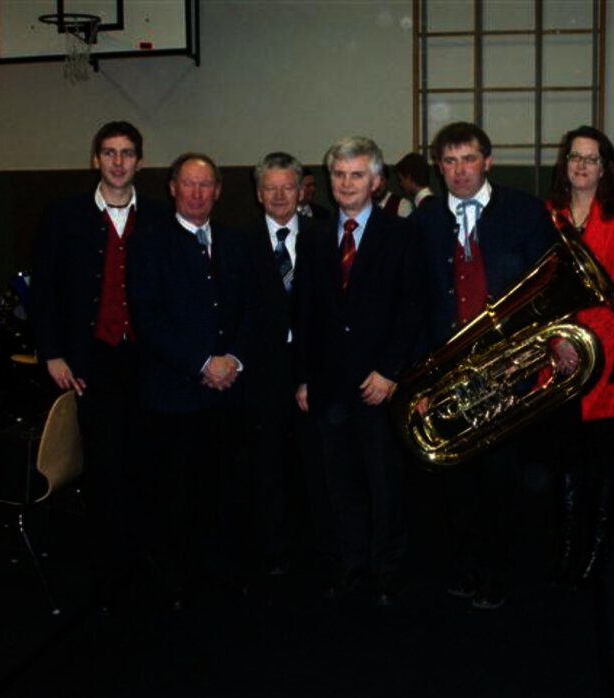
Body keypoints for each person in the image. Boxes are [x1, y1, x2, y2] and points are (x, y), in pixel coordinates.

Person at [412, 121, 558, 609]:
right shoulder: (426, 221)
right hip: (449, 372)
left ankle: (503, 570)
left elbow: (548, 289)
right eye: (449, 161)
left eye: (468, 159)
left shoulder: (524, 211)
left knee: (504, 479)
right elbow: (417, 304)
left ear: (488, 161)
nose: (458, 170)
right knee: (459, 483)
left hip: (508, 371)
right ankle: (469, 565)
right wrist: (426, 378)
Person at [30, 120, 167, 613]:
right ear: (95, 160)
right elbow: (44, 289)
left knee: (144, 463)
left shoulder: (157, 216)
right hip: (91, 360)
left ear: (140, 161)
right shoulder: (64, 215)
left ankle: (141, 558)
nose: (117, 162)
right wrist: (52, 352)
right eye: (108, 152)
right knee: (104, 468)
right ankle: (108, 569)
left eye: (127, 153)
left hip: (146, 360)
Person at [294, 136, 423, 607]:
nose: (346, 184)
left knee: (384, 479)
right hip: (328, 386)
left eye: (355, 175)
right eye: (338, 175)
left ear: (376, 180)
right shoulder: (314, 237)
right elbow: (305, 311)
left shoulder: (401, 234)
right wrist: (304, 377)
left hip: (380, 385)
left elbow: (413, 307)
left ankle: (387, 567)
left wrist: (390, 371)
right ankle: (350, 563)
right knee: (339, 481)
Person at [128, 152, 258, 610]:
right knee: (175, 494)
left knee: (224, 488)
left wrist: (234, 360)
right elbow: (149, 318)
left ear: (219, 191)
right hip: (174, 394)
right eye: (189, 184)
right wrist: (203, 363)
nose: (198, 193)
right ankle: (176, 580)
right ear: (173, 188)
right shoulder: (148, 244)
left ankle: (222, 568)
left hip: (227, 395)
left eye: (206, 185)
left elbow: (250, 309)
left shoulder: (236, 242)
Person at [544, 126, 614, 588]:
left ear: (605, 168)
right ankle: (565, 545)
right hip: (558, 355)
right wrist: (556, 342)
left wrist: (586, 340)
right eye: (574, 157)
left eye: (591, 158)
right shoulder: (548, 214)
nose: (581, 165)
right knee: (565, 459)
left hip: (607, 356)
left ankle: (596, 552)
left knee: (603, 462)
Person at [246, 151, 336, 583]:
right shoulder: (238, 241)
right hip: (261, 371)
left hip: (313, 367)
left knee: (317, 462)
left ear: (301, 191)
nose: (280, 195)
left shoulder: (325, 237)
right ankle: (274, 549)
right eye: (271, 187)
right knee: (267, 465)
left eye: (288, 187)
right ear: (258, 193)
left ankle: (324, 548)